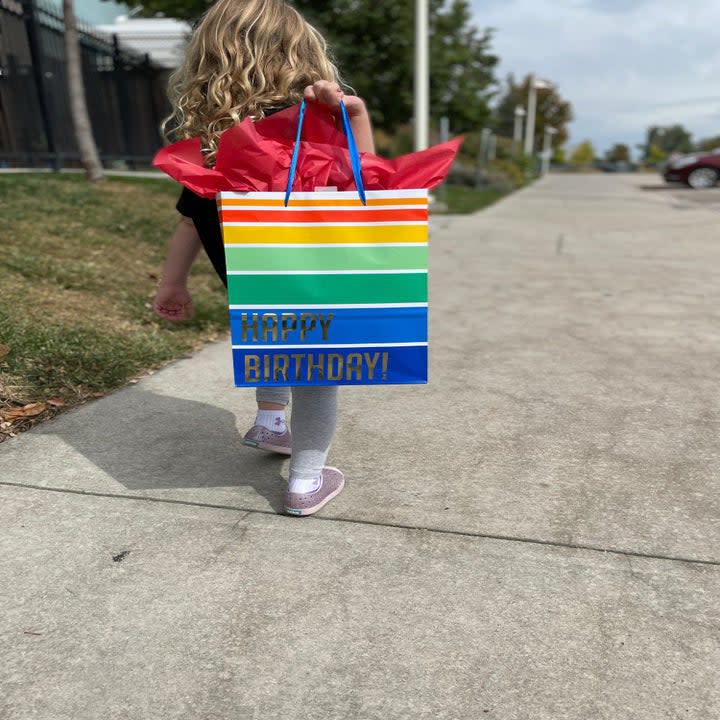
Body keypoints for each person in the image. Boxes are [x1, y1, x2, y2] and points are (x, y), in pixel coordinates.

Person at [152, 0, 375, 517]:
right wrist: (355, 115)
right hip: (314, 280)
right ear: (301, 54)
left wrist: (172, 284)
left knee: (272, 335)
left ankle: (270, 420)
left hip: (251, 284)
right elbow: (364, 184)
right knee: (318, 375)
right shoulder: (312, 126)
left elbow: (189, 221)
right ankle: (305, 480)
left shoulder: (211, 141)